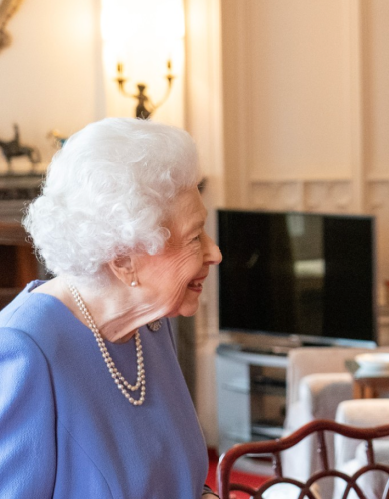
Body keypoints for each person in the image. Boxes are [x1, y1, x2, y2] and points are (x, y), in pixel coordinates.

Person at [0, 117, 223, 497]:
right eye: (194, 237)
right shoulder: (23, 350)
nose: (214, 253)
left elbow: (179, 482)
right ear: (123, 260)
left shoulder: (149, 323)